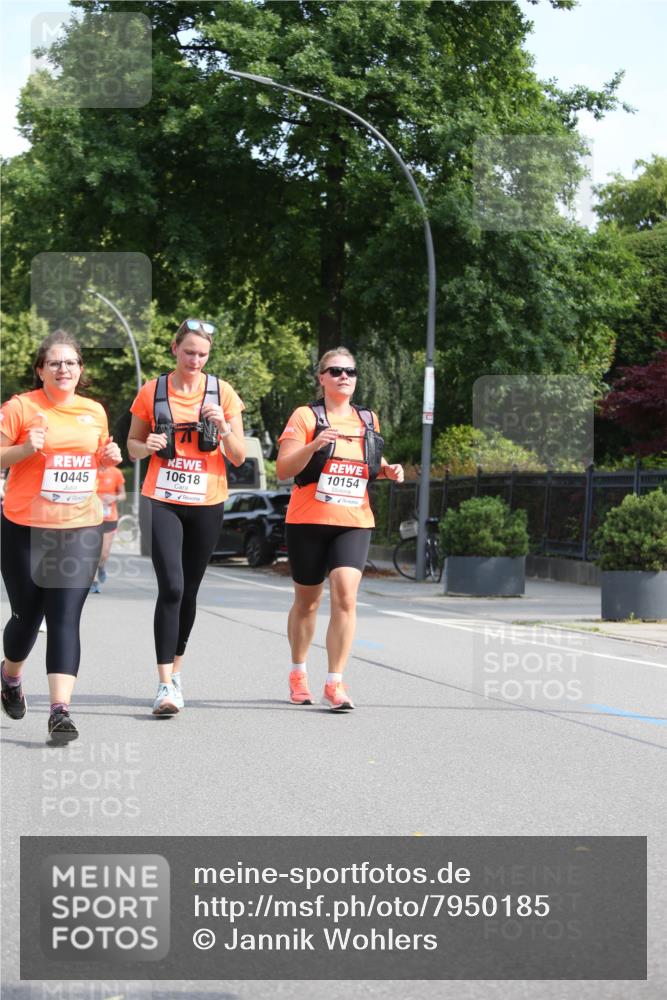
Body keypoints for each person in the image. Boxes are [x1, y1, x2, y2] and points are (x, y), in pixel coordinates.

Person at [0, 330, 122, 742]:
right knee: (27, 619)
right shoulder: (20, 407)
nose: (63, 369)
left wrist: (109, 457)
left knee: (65, 617)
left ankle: (60, 711)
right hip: (24, 527)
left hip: (79, 527)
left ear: (80, 370)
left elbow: (99, 456)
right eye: (54, 362)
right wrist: (24, 450)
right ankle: (11, 675)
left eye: (70, 362)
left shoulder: (94, 411)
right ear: (41, 370)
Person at [127, 318, 246, 716]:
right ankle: (163, 685)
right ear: (174, 348)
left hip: (207, 501)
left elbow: (239, 456)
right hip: (162, 499)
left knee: (190, 591)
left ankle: (177, 672)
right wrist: (149, 445)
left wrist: (223, 426)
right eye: (189, 351)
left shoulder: (223, 393)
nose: (195, 359)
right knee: (172, 588)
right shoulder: (152, 390)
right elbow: (131, 447)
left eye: (202, 354)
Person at [276, 347, 404, 711]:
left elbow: (369, 462)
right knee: (308, 601)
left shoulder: (367, 419)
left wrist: (387, 469)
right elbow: (284, 468)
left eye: (350, 371)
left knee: (346, 594)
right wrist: (315, 444)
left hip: (353, 520)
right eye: (334, 371)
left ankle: (335, 682)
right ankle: (298, 671)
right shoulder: (305, 416)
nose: (343, 376)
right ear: (321, 378)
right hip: (308, 520)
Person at [90, 464, 126, 593]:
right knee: (92, 551)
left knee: (104, 553)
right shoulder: (91, 470)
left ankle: (101, 565)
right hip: (91, 517)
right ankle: (93, 582)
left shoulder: (116, 472)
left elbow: (123, 495)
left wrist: (114, 497)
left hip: (110, 517)